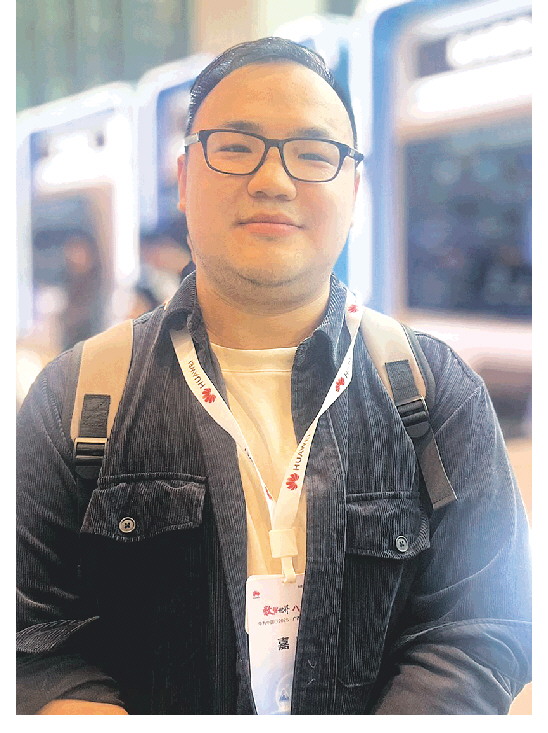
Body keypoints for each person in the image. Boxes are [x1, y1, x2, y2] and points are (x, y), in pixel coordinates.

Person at [16, 37, 532, 715]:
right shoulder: (78, 396)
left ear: (353, 189)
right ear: (184, 177)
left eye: (313, 154)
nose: (273, 180)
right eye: (236, 147)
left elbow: (484, 625)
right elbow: (30, 629)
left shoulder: (435, 391)